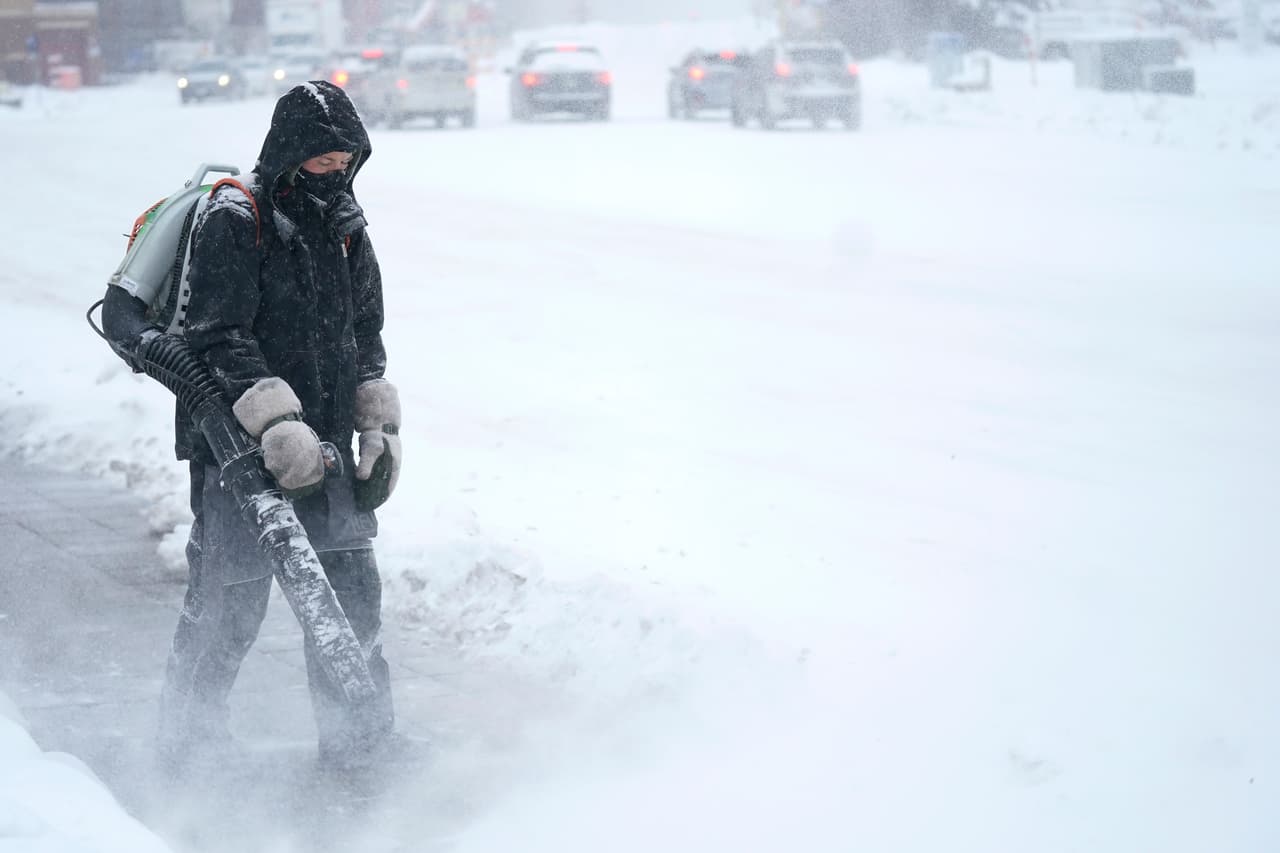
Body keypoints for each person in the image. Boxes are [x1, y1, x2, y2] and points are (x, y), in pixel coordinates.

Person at [156, 80, 404, 773]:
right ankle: (186, 744)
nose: (333, 171)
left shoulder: (348, 226)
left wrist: (375, 423)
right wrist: (275, 419)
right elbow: (217, 333)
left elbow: (365, 329)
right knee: (229, 606)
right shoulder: (238, 219)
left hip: (325, 444)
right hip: (238, 448)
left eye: (344, 160)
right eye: (321, 159)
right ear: (291, 153)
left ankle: (359, 744)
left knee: (353, 596)